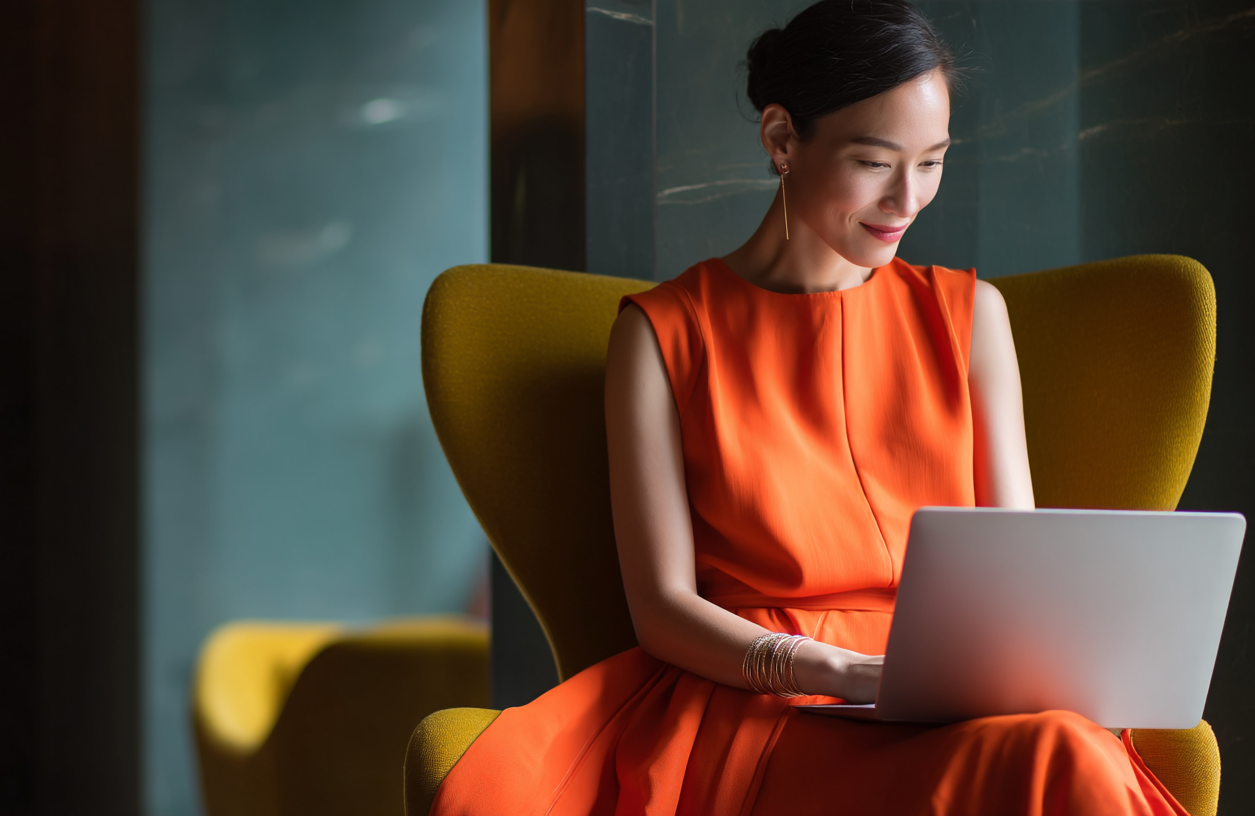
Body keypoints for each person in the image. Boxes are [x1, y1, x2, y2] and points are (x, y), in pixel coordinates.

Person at [430, 1, 1189, 813]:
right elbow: (663, 610)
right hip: (765, 701)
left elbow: (1020, 574)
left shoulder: (971, 319)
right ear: (782, 137)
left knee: (1062, 753)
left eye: (932, 162)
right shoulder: (662, 337)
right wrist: (832, 669)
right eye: (875, 162)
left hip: (954, 699)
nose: (908, 198)